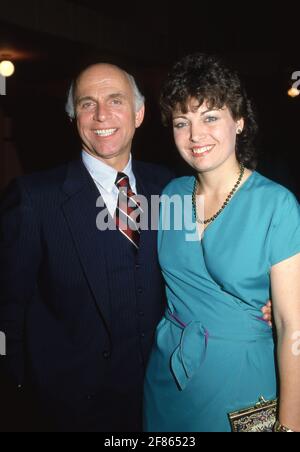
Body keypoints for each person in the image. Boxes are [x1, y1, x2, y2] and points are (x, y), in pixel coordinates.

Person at [0, 63, 174, 432]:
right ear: (72, 116)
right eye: (86, 103)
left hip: (161, 401)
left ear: (139, 114)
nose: (101, 115)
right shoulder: (34, 199)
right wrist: (19, 391)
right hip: (69, 412)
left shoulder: (169, 189)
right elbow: (7, 309)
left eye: (115, 101)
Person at [143, 53, 300, 432]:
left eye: (210, 117)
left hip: (243, 385)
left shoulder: (276, 204)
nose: (196, 136)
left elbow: (292, 326)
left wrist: (291, 424)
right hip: (169, 379)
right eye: (183, 123)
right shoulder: (172, 196)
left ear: (240, 122)